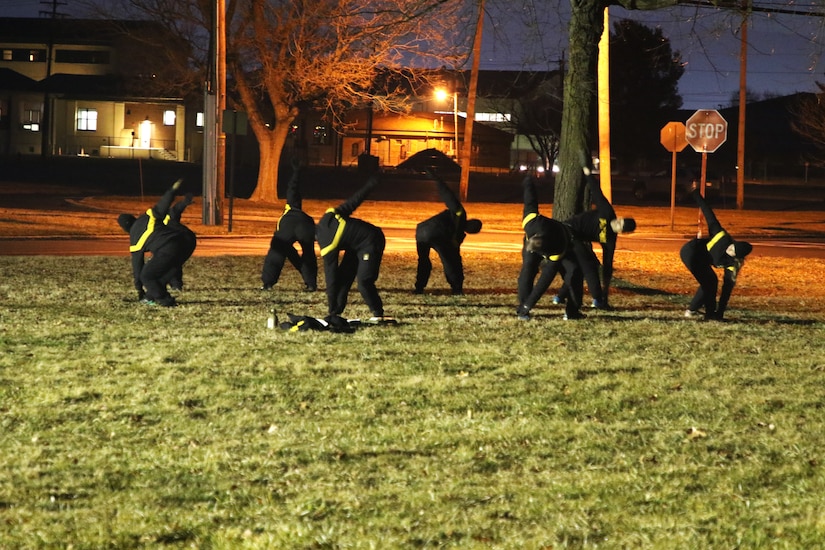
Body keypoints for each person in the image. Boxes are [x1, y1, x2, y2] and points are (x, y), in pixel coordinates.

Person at [556, 163, 636, 309]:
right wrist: (588, 174)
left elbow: (607, 263)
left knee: (580, 267)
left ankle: (561, 296)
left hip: (577, 240)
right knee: (589, 266)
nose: (616, 223)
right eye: (619, 220)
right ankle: (597, 300)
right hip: (568, 230)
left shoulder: (610, 239)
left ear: (621, 231)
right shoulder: (607, 212)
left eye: (619, 225)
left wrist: (606, 285)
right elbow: (597, 193)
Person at [315, 174, 387, 327]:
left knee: (364, 282)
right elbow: (353, 202)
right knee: (344, 277)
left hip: (372, 240)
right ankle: (336, 312)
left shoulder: (327, 244)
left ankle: (378, 313)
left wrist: (330, 305)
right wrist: (371, 184)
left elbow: (330, 277)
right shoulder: (328, 217)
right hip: (355, 245)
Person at [117, 179, 195, 307]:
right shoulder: (146, 218)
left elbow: (138, 268)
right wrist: (172, 191)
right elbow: (162, 206)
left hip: (169, 247)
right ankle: (154, 295)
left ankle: (165, 301)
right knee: (162, 273)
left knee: (147, 276)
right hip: (186, 241)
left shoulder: (134, 239)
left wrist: (139, 289)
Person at [516, 175, 585, 321]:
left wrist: (530, 304)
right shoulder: (530, 220)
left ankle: (571, 312)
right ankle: (522, 309)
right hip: (535, 239)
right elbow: (530, 199)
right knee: (527, 270)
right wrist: (528, 182)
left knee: (574, 272)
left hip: (561, 239)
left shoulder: (559, 248)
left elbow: (544, 281)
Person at [680, 186, 753, 320]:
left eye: (732, 252)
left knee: (710, 281)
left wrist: (720, 312)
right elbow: (708, 213)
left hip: (702, 261)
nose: (729, 250)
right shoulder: (720, 235)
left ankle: (694, 311)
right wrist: (695, 194)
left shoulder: (733, 264)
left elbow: (726, 290)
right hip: (691, 252)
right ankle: (702, 313)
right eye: (731, 247)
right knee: (709, 283)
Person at [413, 170, 482, 295]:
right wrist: (458, 285)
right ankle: (456, 289)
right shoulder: (459, 232)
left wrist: (437, 179)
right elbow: (455, 261)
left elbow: (448, 196)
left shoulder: (459, 216)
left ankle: (419, 288)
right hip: (437, 234)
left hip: (422, 231)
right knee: (450, 262)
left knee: (423, 261)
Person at [260, 159, 318, 291]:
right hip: (307, 225)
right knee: (308, 254)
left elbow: (292, 187)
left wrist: (295, 172)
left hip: (289, 226)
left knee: (277, 251)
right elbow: (294, 189)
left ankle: (268, 283)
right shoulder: (300, 210)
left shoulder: (288, 210)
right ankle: (311, 284)